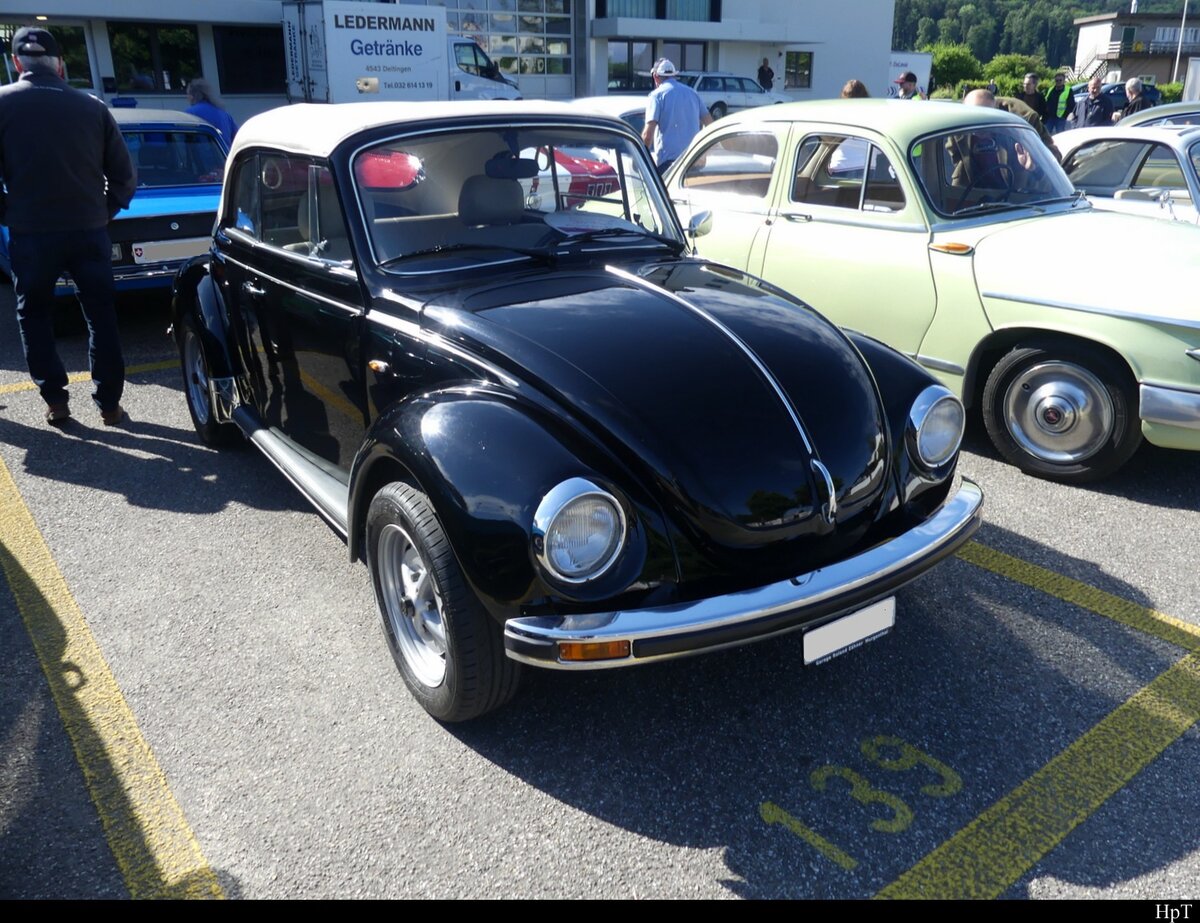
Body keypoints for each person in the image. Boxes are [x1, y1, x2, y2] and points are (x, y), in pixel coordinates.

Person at [0, 26, 135, 426]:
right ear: (59, 64)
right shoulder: (92, 107)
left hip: (31, 233)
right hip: (87, 229)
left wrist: (9, 213)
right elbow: (124, 176)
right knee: (101, 316)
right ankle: (109, 405)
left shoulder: (3, 104)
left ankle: (56, 401)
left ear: (17, 63)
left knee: (34, 316)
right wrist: (103, 211)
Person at [642, 58, 711, 174]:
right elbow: (710, 124)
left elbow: (647, 135)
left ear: (655, 76)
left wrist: (639, 159)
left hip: (669, 165)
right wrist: (703, 152)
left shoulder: (656, 96)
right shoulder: (692, 93)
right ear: (674, 75)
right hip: (693, 160)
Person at [963, 88, 1061, 162]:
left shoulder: (1025, 120)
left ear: (995, 110)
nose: (978, 128)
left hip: (1015, 180)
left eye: (985, 119)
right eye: (973, 119)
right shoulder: (960, 121)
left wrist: (1035, 161)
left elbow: (1054, 157)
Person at [185, 78, 238, 147]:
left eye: (188, 94)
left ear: (192, 96)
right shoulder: (224, 114)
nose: (187, 98)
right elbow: (236, 136)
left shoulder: (189, 114)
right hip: (225, 152)